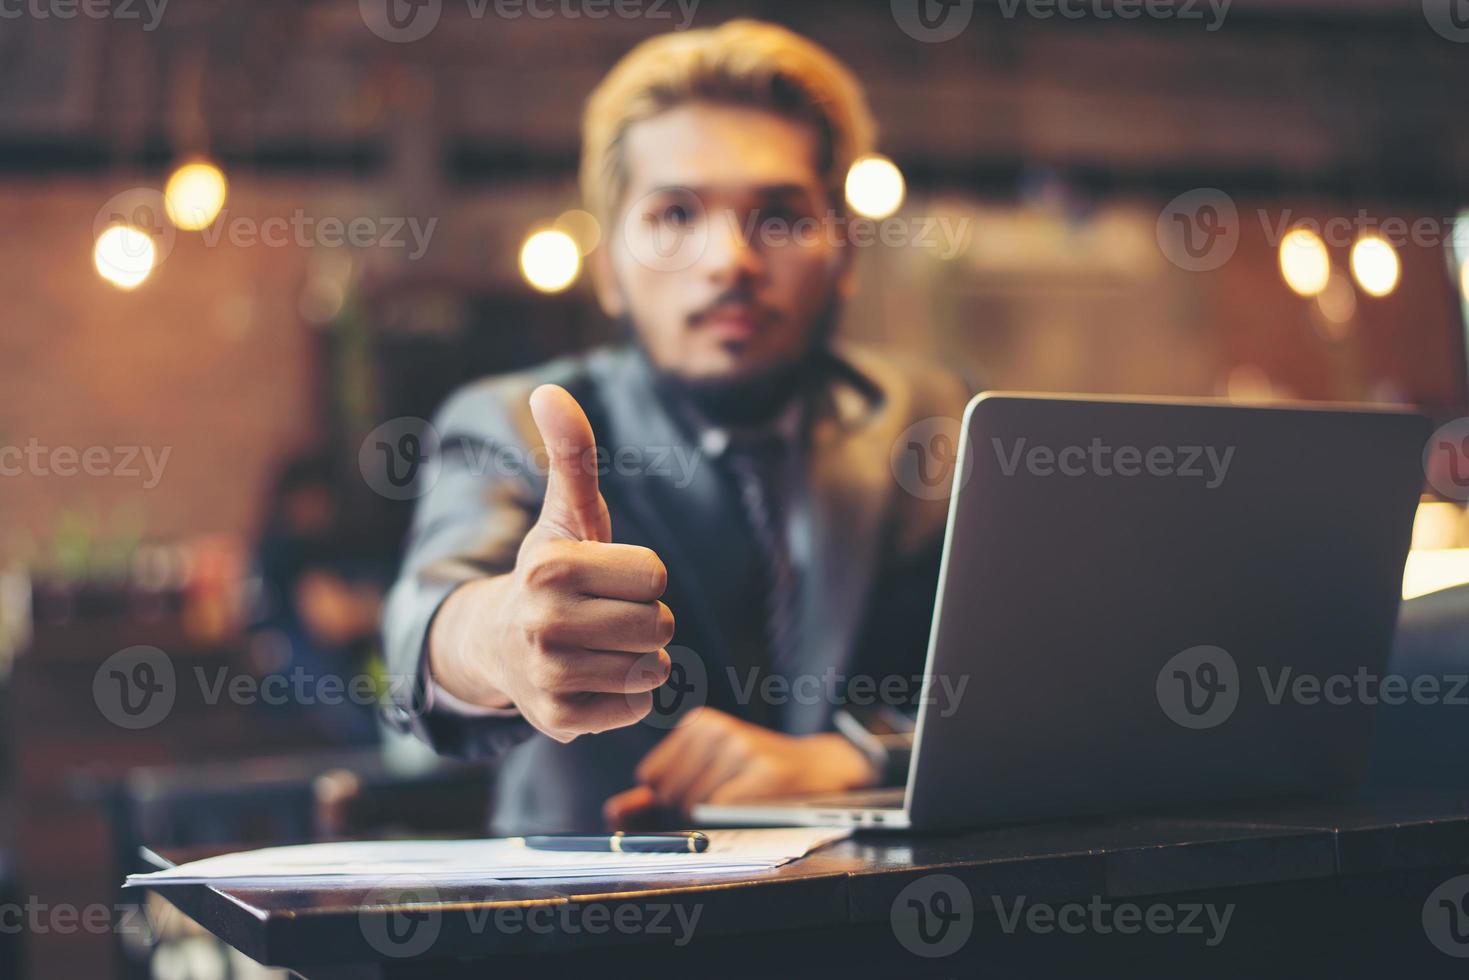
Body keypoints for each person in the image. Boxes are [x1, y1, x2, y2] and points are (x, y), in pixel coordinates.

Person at [382, 19, 970, 833]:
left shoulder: (942, 423)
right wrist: (498, 637)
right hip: (596, 932)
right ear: (609, 271)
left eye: (779, 216)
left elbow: (1052, 685)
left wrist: (865, 755)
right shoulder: (514, 424)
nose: (729, 259)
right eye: (673, 216)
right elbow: (426, 618)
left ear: (845, 255)